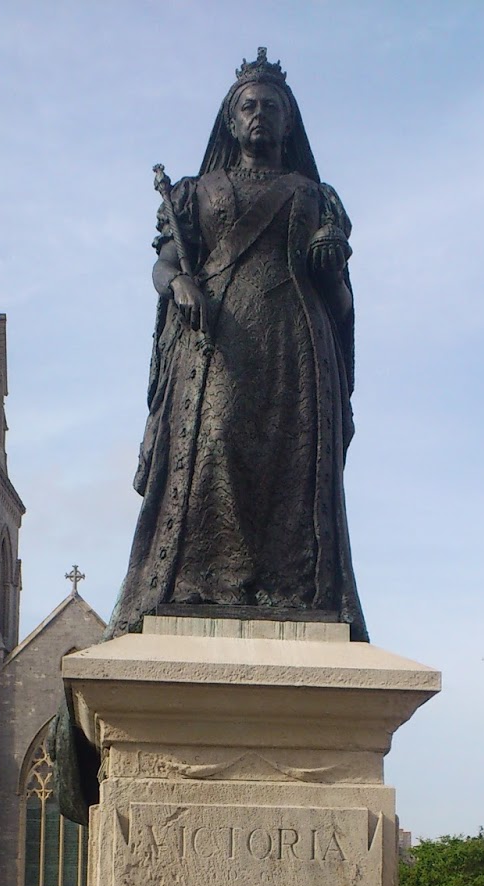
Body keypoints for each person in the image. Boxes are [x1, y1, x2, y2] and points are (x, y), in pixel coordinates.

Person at [107, 48, 368, 640]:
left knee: (294, 465)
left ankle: (296, 589)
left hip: (296, 351)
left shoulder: (315, 195)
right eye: (248, 106)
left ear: (289, 121)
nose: (260, 115)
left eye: (272, 107)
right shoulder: (197, 192)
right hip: (217, 343)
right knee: (214, 444)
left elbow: (341, 303)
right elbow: (166, 262)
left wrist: (331, 266)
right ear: (231, 120)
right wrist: (178, 285)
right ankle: (200, 584)